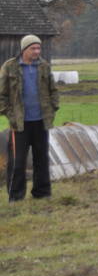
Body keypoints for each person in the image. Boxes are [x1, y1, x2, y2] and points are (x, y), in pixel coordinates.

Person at [0, 34, 59, 201]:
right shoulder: (10, 66)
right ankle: (16, 196)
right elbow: (1, 95)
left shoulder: (44, 66)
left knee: (41, 159)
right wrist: (9, 113)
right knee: (18, 162)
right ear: (24, 49)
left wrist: (53, 108)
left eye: (38, 48)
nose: (37, 51)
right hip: (19, 123)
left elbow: (53, 90)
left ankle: (42, 193)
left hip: (41, 121)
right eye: (33, 48)